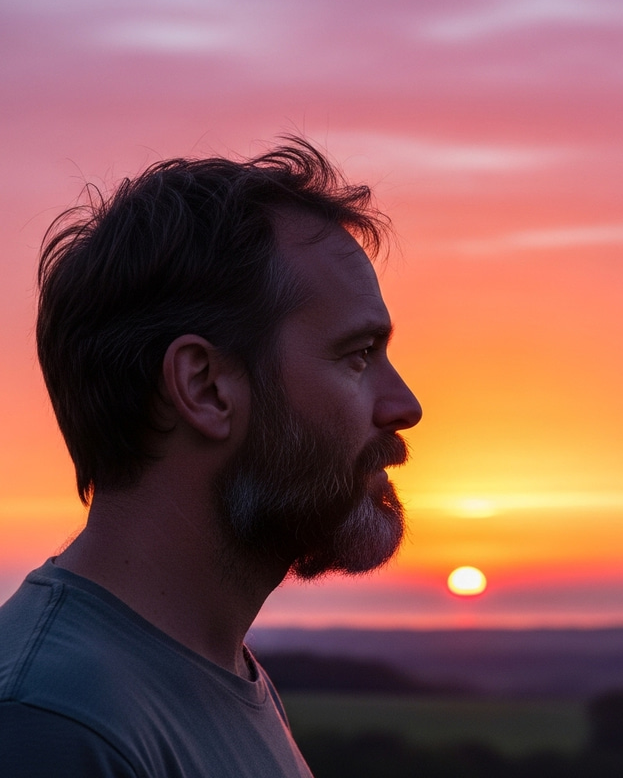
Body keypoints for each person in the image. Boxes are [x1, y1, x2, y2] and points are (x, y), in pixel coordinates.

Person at [0, 138, 422, 776]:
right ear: (204, 387)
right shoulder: (53, 724)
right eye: (358, 354)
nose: (404, 405)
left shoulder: (218, 676)